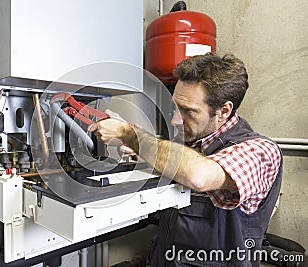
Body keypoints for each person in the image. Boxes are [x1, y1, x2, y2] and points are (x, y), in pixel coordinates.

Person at [88, 53, 282, 266]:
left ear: (224, 111)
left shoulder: (260, 152)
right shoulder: (191, 142)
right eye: (175, 107)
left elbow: (197, 175)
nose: (174, 119)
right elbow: (174, 157)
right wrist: (140, 147)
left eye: (188, 111)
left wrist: (130, 135)